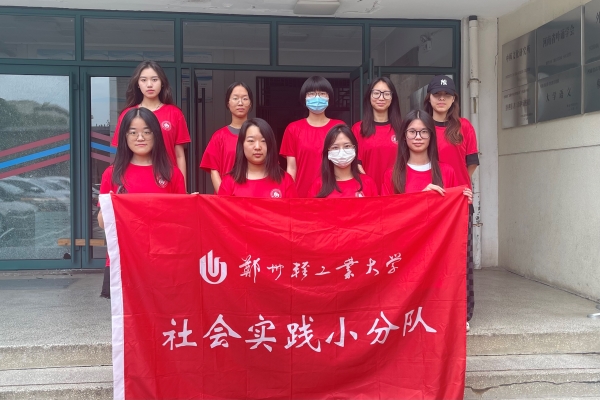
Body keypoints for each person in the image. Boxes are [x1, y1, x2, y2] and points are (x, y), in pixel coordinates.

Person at [98, 107, 186, 299]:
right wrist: (111, 208)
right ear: (124, 136)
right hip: (123, 260)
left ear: (156, 135)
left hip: (162, 259)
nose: (140, 138)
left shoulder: (172, 174)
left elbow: (181, 220)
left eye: (147, 132)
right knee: (127, 315)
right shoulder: (112, 174)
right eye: (133, 132)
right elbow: (103, 223)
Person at [423, 75, 479, 331]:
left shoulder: (463, 126)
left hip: (458, 204)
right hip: (428, 202)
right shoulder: (421, 126)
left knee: (460, 259)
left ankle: (462, 312)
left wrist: (458, 187)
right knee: (429, 259)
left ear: (454, 98)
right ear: (429, 97)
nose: (441, 99)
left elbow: (471, 163)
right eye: (437, 95)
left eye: (447, 95)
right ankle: (429, 308)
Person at [111, 60, 190, 185]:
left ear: (162, 82)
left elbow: (179, 155)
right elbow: (121, 153)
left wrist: (182, 188)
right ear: (138, 84)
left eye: (154, 79)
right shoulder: (127, 114)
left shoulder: (175, 113)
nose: (149, 85)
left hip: (167, 181)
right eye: (143, 80)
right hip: (133, 182)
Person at [381, 109, 471, 198]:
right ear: (404, 135)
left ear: (431, 135)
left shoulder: (447, 172)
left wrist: (462, 200)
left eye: (424, 132)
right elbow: (387, 207)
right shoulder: (391, 175)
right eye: (412, 132)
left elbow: (452, 205)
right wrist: (423, 197)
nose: (418, 137)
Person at [280, 76, 345, 197]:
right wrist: (290, 196)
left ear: (329, 97)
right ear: (304, 98)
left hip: (334, 195)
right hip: (301, 196)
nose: (317, 97)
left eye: (322, 93)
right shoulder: (293, 129)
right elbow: (291, 168)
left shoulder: (339, 127)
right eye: (311, 94)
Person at [218, 118, 297, 198]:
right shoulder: (229, 182)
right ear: (242, 145)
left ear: (271, 144)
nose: (257, 147)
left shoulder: (285, 180)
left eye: (263, 141)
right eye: (251, 141)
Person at [351, 77, 402, 193]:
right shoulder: (358, 129)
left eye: (386, 94)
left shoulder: (403, 128)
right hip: (368, 192)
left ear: (392, 97)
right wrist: (368, 186)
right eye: (376, 93)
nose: (381, 98)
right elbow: (355, 164)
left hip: (396, 191)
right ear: (369, 96)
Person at [200, 82, 254, 193]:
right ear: (228, 103)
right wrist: (224, 196)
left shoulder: (260, 134)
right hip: (227, 197)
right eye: (235, 98)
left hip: (254, 196)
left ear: (250, 103)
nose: (240, 103)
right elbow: (214, 171)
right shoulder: (219, 137)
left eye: (245, 98)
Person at [308, 124, 378, 198]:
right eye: (335, 147)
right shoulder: (318, 185)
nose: (342, 152)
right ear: (328, 152)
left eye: (347, 146)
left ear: (355, 149)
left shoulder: (368, 183)